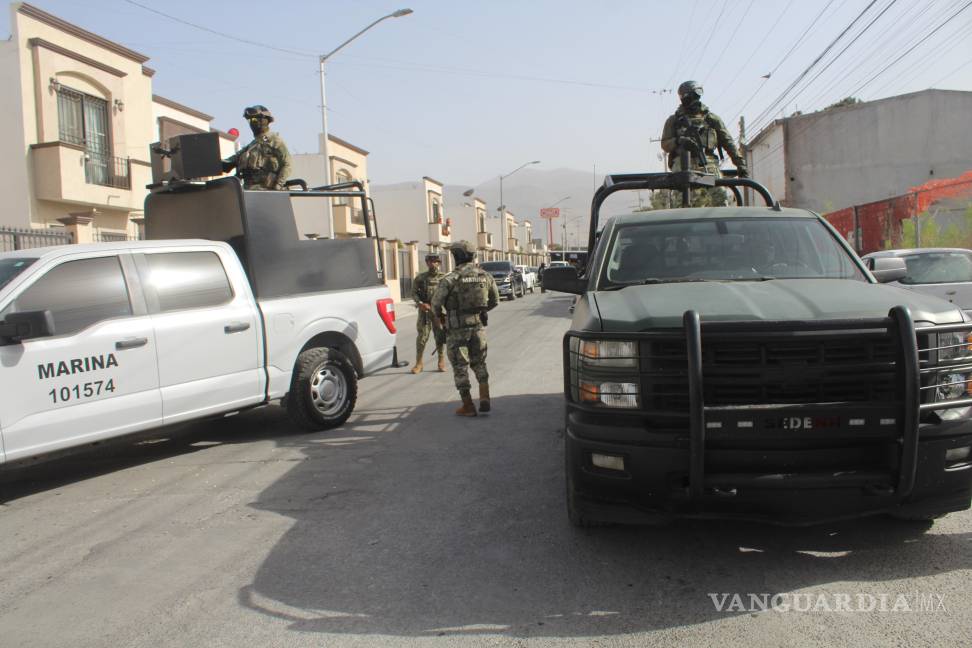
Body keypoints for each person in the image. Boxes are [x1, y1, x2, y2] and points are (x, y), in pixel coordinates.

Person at [431, 240, 499, 417]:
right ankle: (485, 397)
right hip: (478, 327)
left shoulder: (450, 279)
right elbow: (495, 301)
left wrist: (442, 317)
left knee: (460, 367)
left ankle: (468, 406)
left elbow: (436, 304)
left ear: (456, 256)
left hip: (457, 329)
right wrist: (481, 311)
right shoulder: (486, 276)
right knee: (479, 362)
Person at [661, 81, 747, 207]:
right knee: (682, 204)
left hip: (708, 166)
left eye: (696, 96)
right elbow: (665, 144)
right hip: (683, 167)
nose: (694, 100)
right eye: (690, 97)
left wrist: (740, 164)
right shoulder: (674, 121)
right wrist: (679, 141)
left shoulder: (711, 119)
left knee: (721, 201)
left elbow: (728, 142)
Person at [222, 105, 293, 190]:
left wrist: (278, 185)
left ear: (264, 120)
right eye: (250, 120)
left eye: (255, 120)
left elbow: (288, 164)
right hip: (249, 192)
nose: (252, 123)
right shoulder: (251, 146)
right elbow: (229, 162)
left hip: (267, 192)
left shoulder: (275, 141)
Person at [411, 254, 447, 374]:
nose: (432, 264)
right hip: (425, 312)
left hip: (438, 311)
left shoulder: (444, 278)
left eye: (435, 262)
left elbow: (450, 294)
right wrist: (420, 303)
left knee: (440, 336)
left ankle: (441, 361)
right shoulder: (421, 278)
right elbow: (414, 293)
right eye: (430, 262)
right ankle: (418, 363)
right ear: (426, 263)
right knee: (422, 338)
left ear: (439, 263)